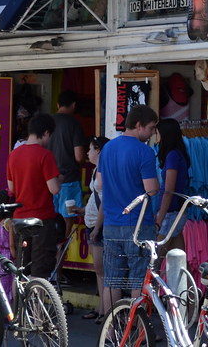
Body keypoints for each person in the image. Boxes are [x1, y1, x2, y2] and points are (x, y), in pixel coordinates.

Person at [96, 104, 160, 305]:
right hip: (139, 224)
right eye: (150, 128)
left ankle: (112, 331)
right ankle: (139, 332)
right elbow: (151, 189)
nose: (152, 134)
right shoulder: (144, 152)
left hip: (112, 223)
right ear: (139, 125)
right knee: (138, 280)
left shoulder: (107, 149)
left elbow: (99, 184)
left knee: (112, 281)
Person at [6, 112, 61, 279]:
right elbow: (54, 189)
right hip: (41, 221)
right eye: (49, 136)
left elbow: (12, 188)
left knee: (21, 271)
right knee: (40, 271)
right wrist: (58, 178)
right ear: (45, 133)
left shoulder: (13, 155)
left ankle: (18, 305)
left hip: (20, 221)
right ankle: (37, 306)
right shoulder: (45, 155)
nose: (49, 140)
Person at [49, 90, 87, 247]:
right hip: (69, 180)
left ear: (58, 105)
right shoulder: (74, 124)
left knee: (49, 218)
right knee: (67, 219)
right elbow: (79, 156)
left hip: (48, 181)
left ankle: (50, 257)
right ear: (73, 105)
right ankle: (59, 258)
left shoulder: (46, 123)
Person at [81, 135, 110, 321]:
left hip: (98, 225)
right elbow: (95, 198)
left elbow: (105, 200)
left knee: (102, 268)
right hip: (90, 222)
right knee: (98, 269)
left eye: (90, 148)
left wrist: (97, 227)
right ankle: (100, 308)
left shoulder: (104, 170)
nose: (87, 152)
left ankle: (106, 311)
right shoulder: (94, 170)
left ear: (98, 150)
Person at [154, 117, 191, 255]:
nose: (155, 136)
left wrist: (159, 218)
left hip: (170, 212)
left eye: (157, 132)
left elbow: (169, 190)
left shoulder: (172, 156)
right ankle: (184, 277)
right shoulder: (177, 154)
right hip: (176, 211)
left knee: (155, 259)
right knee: (178, 256)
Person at [0, 189, 16, 302]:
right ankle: (8, 317)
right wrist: (16, 257)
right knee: (7, 291)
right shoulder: (8, 222)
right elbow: (11, 245)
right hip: (6, 260)